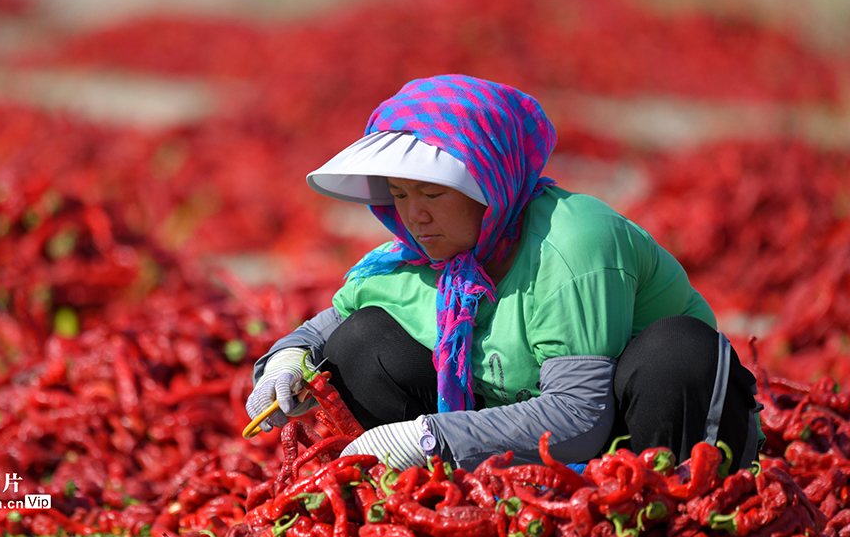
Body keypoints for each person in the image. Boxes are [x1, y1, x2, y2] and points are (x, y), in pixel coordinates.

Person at [246, 74, 761, 472]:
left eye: (432, 193)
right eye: (399, 196)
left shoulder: (572, 245)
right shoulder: (427, 256)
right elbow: (328, 327)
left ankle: (676, 534)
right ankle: (449, 526)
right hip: (529, 463)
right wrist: (285, 361)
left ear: (489, 181)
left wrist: (428, 439)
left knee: (675, 352)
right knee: (362, 342)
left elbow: (581, 417)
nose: (414, 216)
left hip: (645, 435)